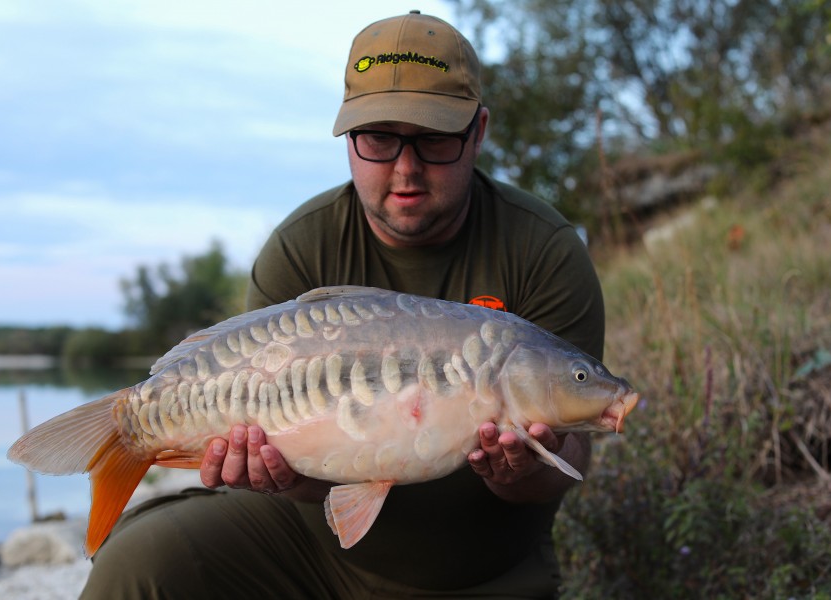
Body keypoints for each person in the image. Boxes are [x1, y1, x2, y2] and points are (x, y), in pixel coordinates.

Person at [81, 10, 604, 599]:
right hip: (310, 552)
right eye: (379, 138)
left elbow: (574, 453)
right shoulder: (299, 246)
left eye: (433, 138)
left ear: (477, 131)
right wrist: (272, 475)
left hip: (485, 572)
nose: (406, 169)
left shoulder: (544, 248)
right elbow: (293, 468)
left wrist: (526, 469)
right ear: (347, 136)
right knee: (136, 564)